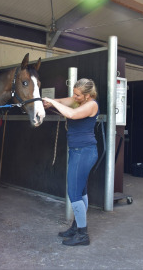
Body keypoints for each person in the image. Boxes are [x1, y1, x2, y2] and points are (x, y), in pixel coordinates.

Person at [42, 78, 99, 246]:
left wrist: (53, 102)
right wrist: (49, 103)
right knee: (80, 192)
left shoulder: (92, 105)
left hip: (84, 152)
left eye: (78, 95)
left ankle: (83, 235)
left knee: (73, 193)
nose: (74, 97)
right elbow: (61, 102)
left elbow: (72, 114)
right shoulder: (78, 101)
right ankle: (76, 226)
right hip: (77, 152)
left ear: (88, 95)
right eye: (74, 93)